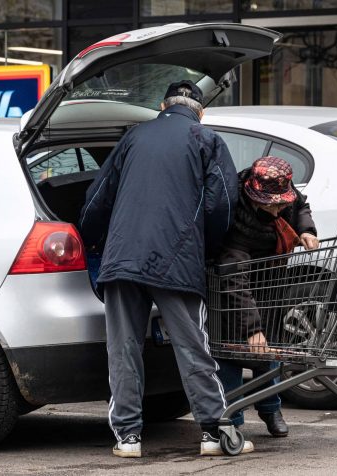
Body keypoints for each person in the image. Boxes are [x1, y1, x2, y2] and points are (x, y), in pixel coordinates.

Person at [80, 80, 240, 458]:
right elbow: (224, 205)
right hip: (177, 258)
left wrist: (94, 241)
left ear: (162, 105)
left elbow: (96, 198)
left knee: (123, 348)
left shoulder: (133, 137)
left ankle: (128, 438)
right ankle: (214, 433)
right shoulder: (206, 139)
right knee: (192, 346)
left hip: (123, 259)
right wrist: (209, 248)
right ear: (199, 111)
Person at [213, 156, 319, 448]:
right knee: (231, 352)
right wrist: (251, 328)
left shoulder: (282, 189)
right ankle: (231, 421)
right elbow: (236, 283)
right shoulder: (232, 211)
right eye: (270, 204)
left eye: (280, 203)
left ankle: (272, 411)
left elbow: (301, 205)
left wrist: (307, 229)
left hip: (270, 280)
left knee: (267, 349)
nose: (276, 209)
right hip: (232, 290)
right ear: (252, 193)